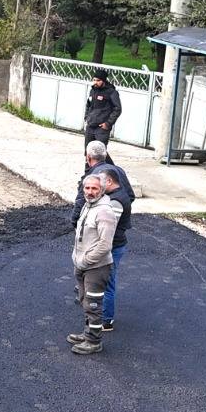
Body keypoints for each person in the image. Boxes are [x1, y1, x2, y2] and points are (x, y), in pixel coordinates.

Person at [71, 141, 135, 331]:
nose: (93, 190)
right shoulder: (118, 171)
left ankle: (103, 323)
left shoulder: (109, 200)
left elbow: (105, 237)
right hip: (114, 241)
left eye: (96, 188)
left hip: (111, 245)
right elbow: (131, 195)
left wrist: (78, 223)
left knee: (106, 283)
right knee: (103, 283)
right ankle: (94, 323)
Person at [67, 174, 123, 356]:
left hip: (96, 267)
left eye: (94, 189)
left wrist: (85, 260)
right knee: (84, 301)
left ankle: (94, 341)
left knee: (93, 305)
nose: (90, 192)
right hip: (82, 264)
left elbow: (105, 245)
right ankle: (87, 333)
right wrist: (76, 257)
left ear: (102, 190)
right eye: (87, 188)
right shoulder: (87, 205)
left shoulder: (105, 211)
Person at [83, 68, 122, 145]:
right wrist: (86, 117)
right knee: (89, 152)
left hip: (101, 129)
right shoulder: (93, 90)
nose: (95, 82)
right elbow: (88, 105)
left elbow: (117, 109)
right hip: (90, 126)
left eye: (98, 80)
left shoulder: (112, 92)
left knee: (100, 152)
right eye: (94, 80)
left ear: (103, 81)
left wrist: (108, 123)